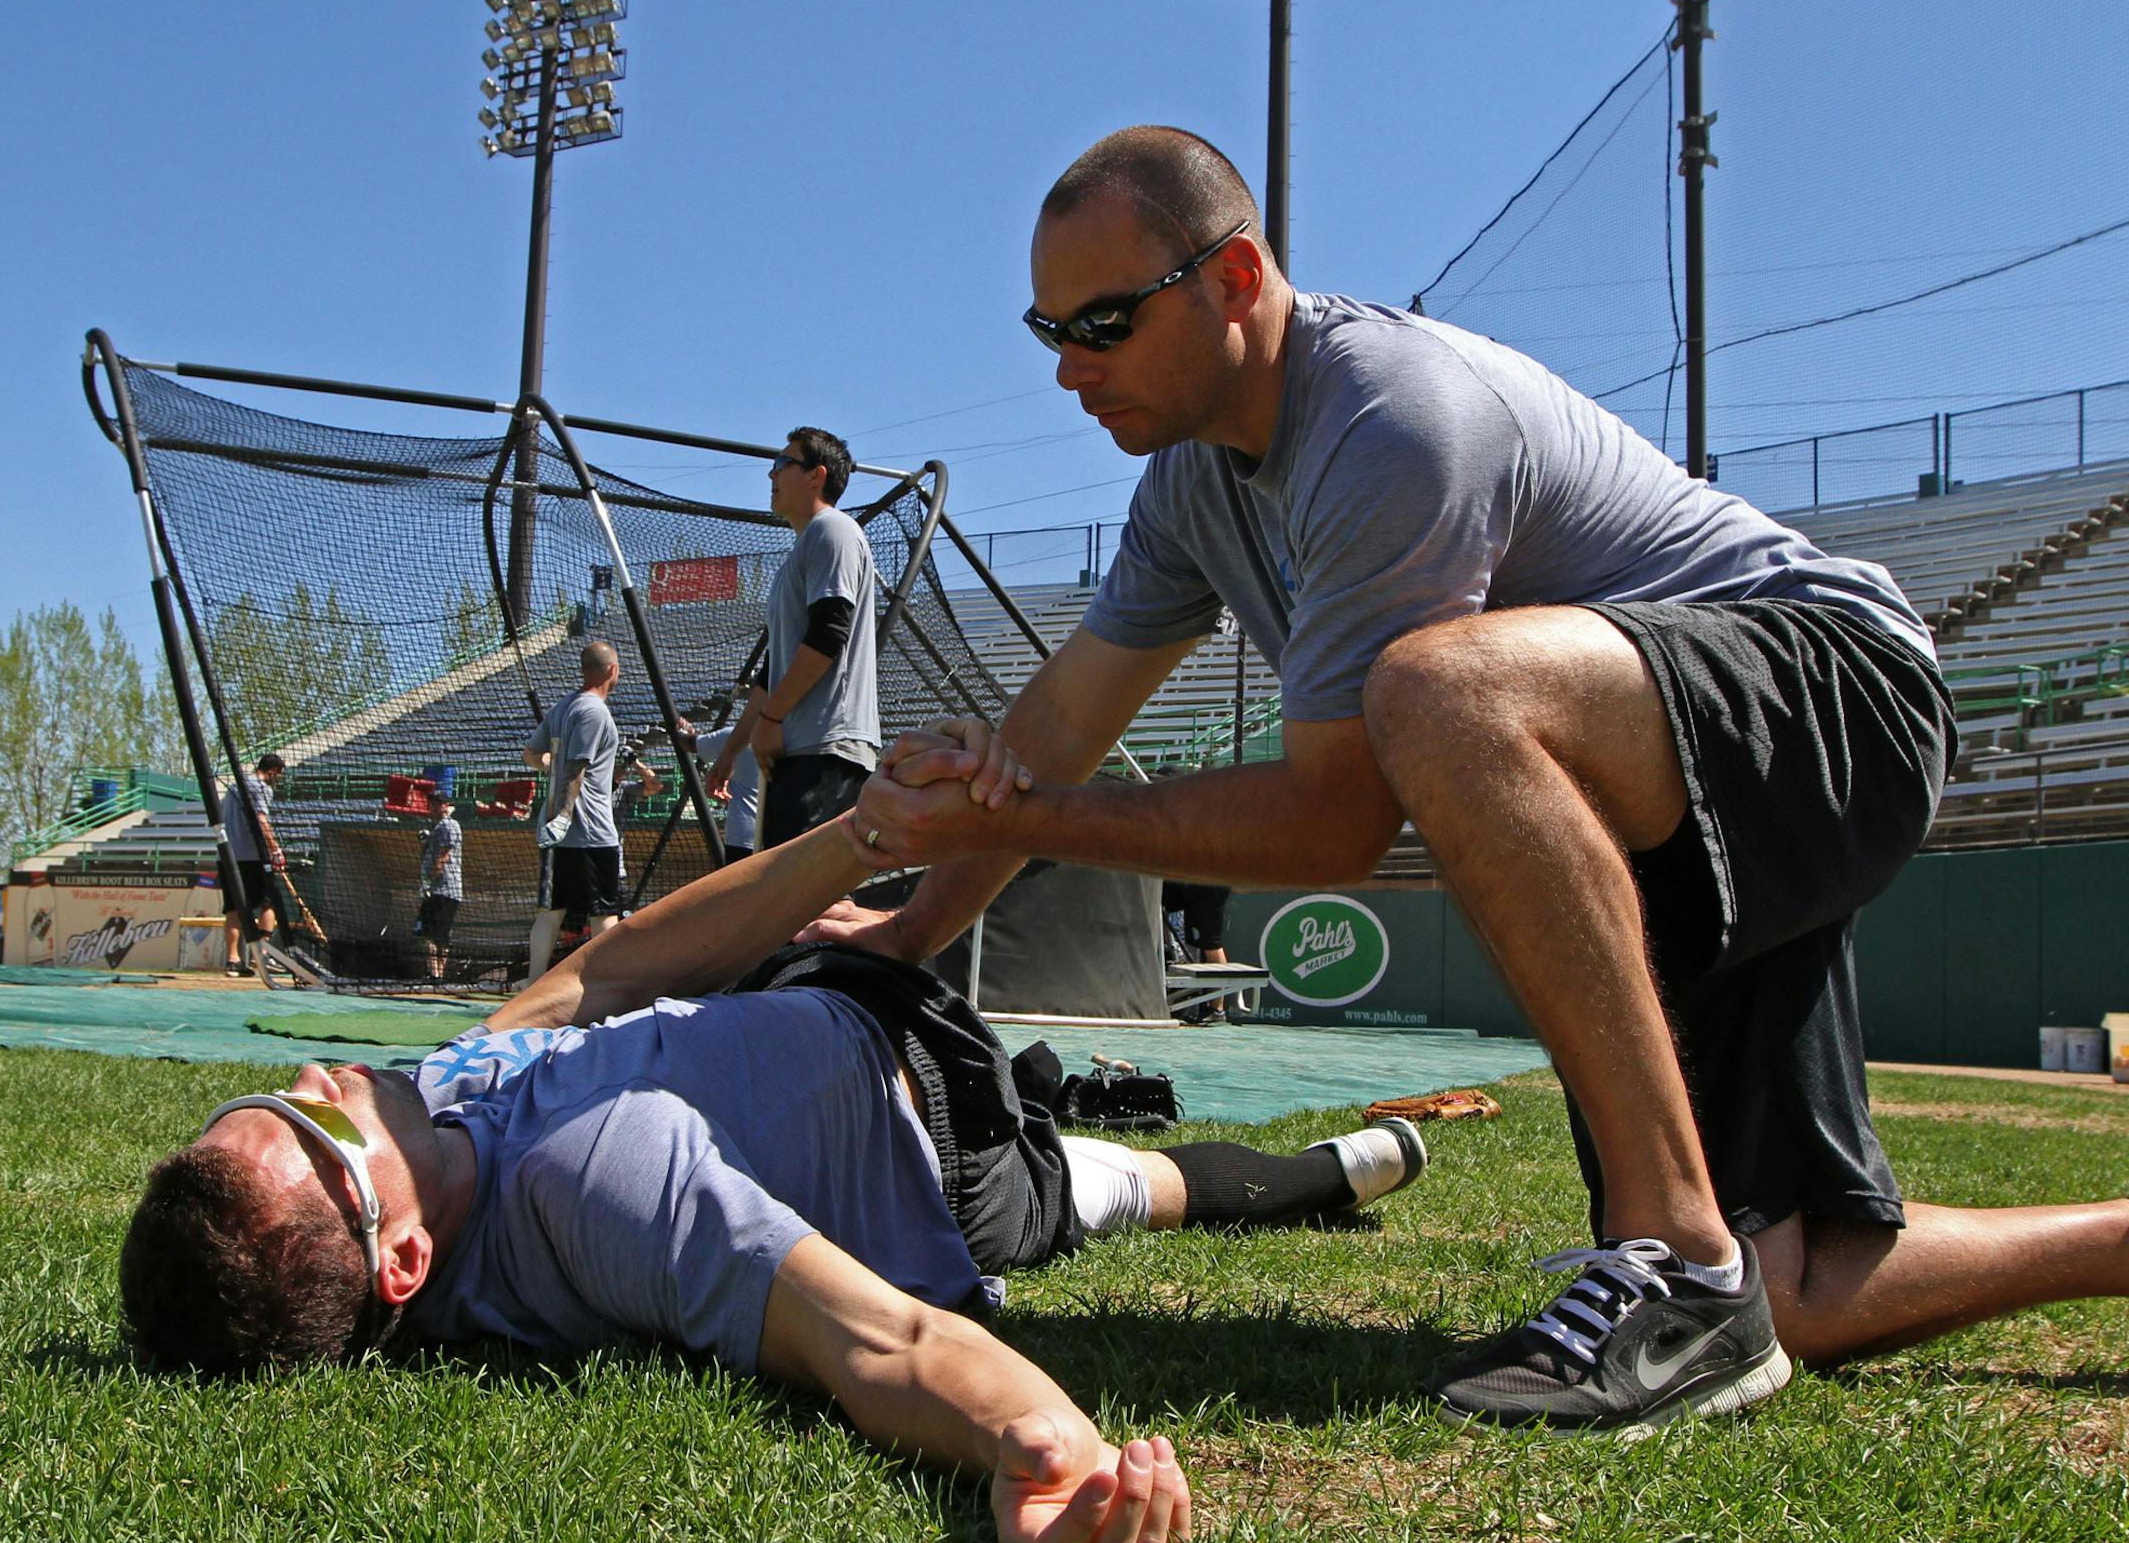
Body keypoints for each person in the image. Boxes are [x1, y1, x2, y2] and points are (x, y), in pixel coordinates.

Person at [803, 123, 2129, 1434]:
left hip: (1835, 685)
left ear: (1236, 279)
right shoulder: (1188, 487)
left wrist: (1038, 815)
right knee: (1799, 1291)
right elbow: (1054, 730)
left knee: (1437, 692)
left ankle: (1678, 1261)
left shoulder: (1389, 417)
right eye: (1050, 331)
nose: (1069, 368)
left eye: (1104, 322)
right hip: (1662, 805)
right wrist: (915, 932)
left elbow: (1336, 820)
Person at [117, 801, 1428, 1543]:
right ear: (401, 1258)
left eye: (268, 1096)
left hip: (812, 993)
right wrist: (1044, 1447)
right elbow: (878, 1339)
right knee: (1120, 1186)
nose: (316, 1073)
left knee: (1065, 1096)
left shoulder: (434, 1107)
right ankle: (1316, 1173)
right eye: (313, 1118)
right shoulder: (594, 1189)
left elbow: (609, 973)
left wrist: (861, 836)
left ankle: (1075, 1074)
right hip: (940, 1139)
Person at [709, 428, 880, 847]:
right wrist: (732, 750)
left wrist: (770, 722)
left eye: (783, 463)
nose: (772, 475)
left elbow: (829, 633)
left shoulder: (833, 530)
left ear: (815, 476)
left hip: (826, 752)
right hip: (797, 753)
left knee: (811, 888)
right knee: (780, 885)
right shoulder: (804, 547)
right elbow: (775, 671)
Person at [524, 641, 625, 983]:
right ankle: (605, 985)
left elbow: (531, 754)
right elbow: (576, 769)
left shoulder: (563, 706)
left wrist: (550, 768)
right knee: (604, 914)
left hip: (555, 831)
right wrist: (566, 816)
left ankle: (534, 984)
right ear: (612, 669)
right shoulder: (594, 711)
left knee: (550, 912)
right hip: (590, 831)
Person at [219, 752, 287, 977]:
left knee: (233, 909)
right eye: (279, 775)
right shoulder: (262, 788)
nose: (278, 779)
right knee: (269, 904)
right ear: (273, 771)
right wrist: (275, 849)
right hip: (252, 856)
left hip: (227, 856)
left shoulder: (233, 787)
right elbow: (261, 821)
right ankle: (263, 954)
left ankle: (233, 960)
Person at [695, 717, 762, 865]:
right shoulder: (790, 734)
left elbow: (690, 743)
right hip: (781, 834)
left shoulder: (730, 735)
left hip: (742, 837)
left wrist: (678, 729)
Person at [415, 785, 462, 984]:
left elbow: (443, 856)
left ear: (446, 805)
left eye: (438, 803)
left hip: (444, 889)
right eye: (431, 803)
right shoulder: (435, 828)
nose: (433, 807)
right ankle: (436, 975)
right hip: (439, 889)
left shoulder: (449, 825)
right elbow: (426, 856)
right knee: (434, 934)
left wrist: (429, 881)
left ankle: (436, 975)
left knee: (433, 934)